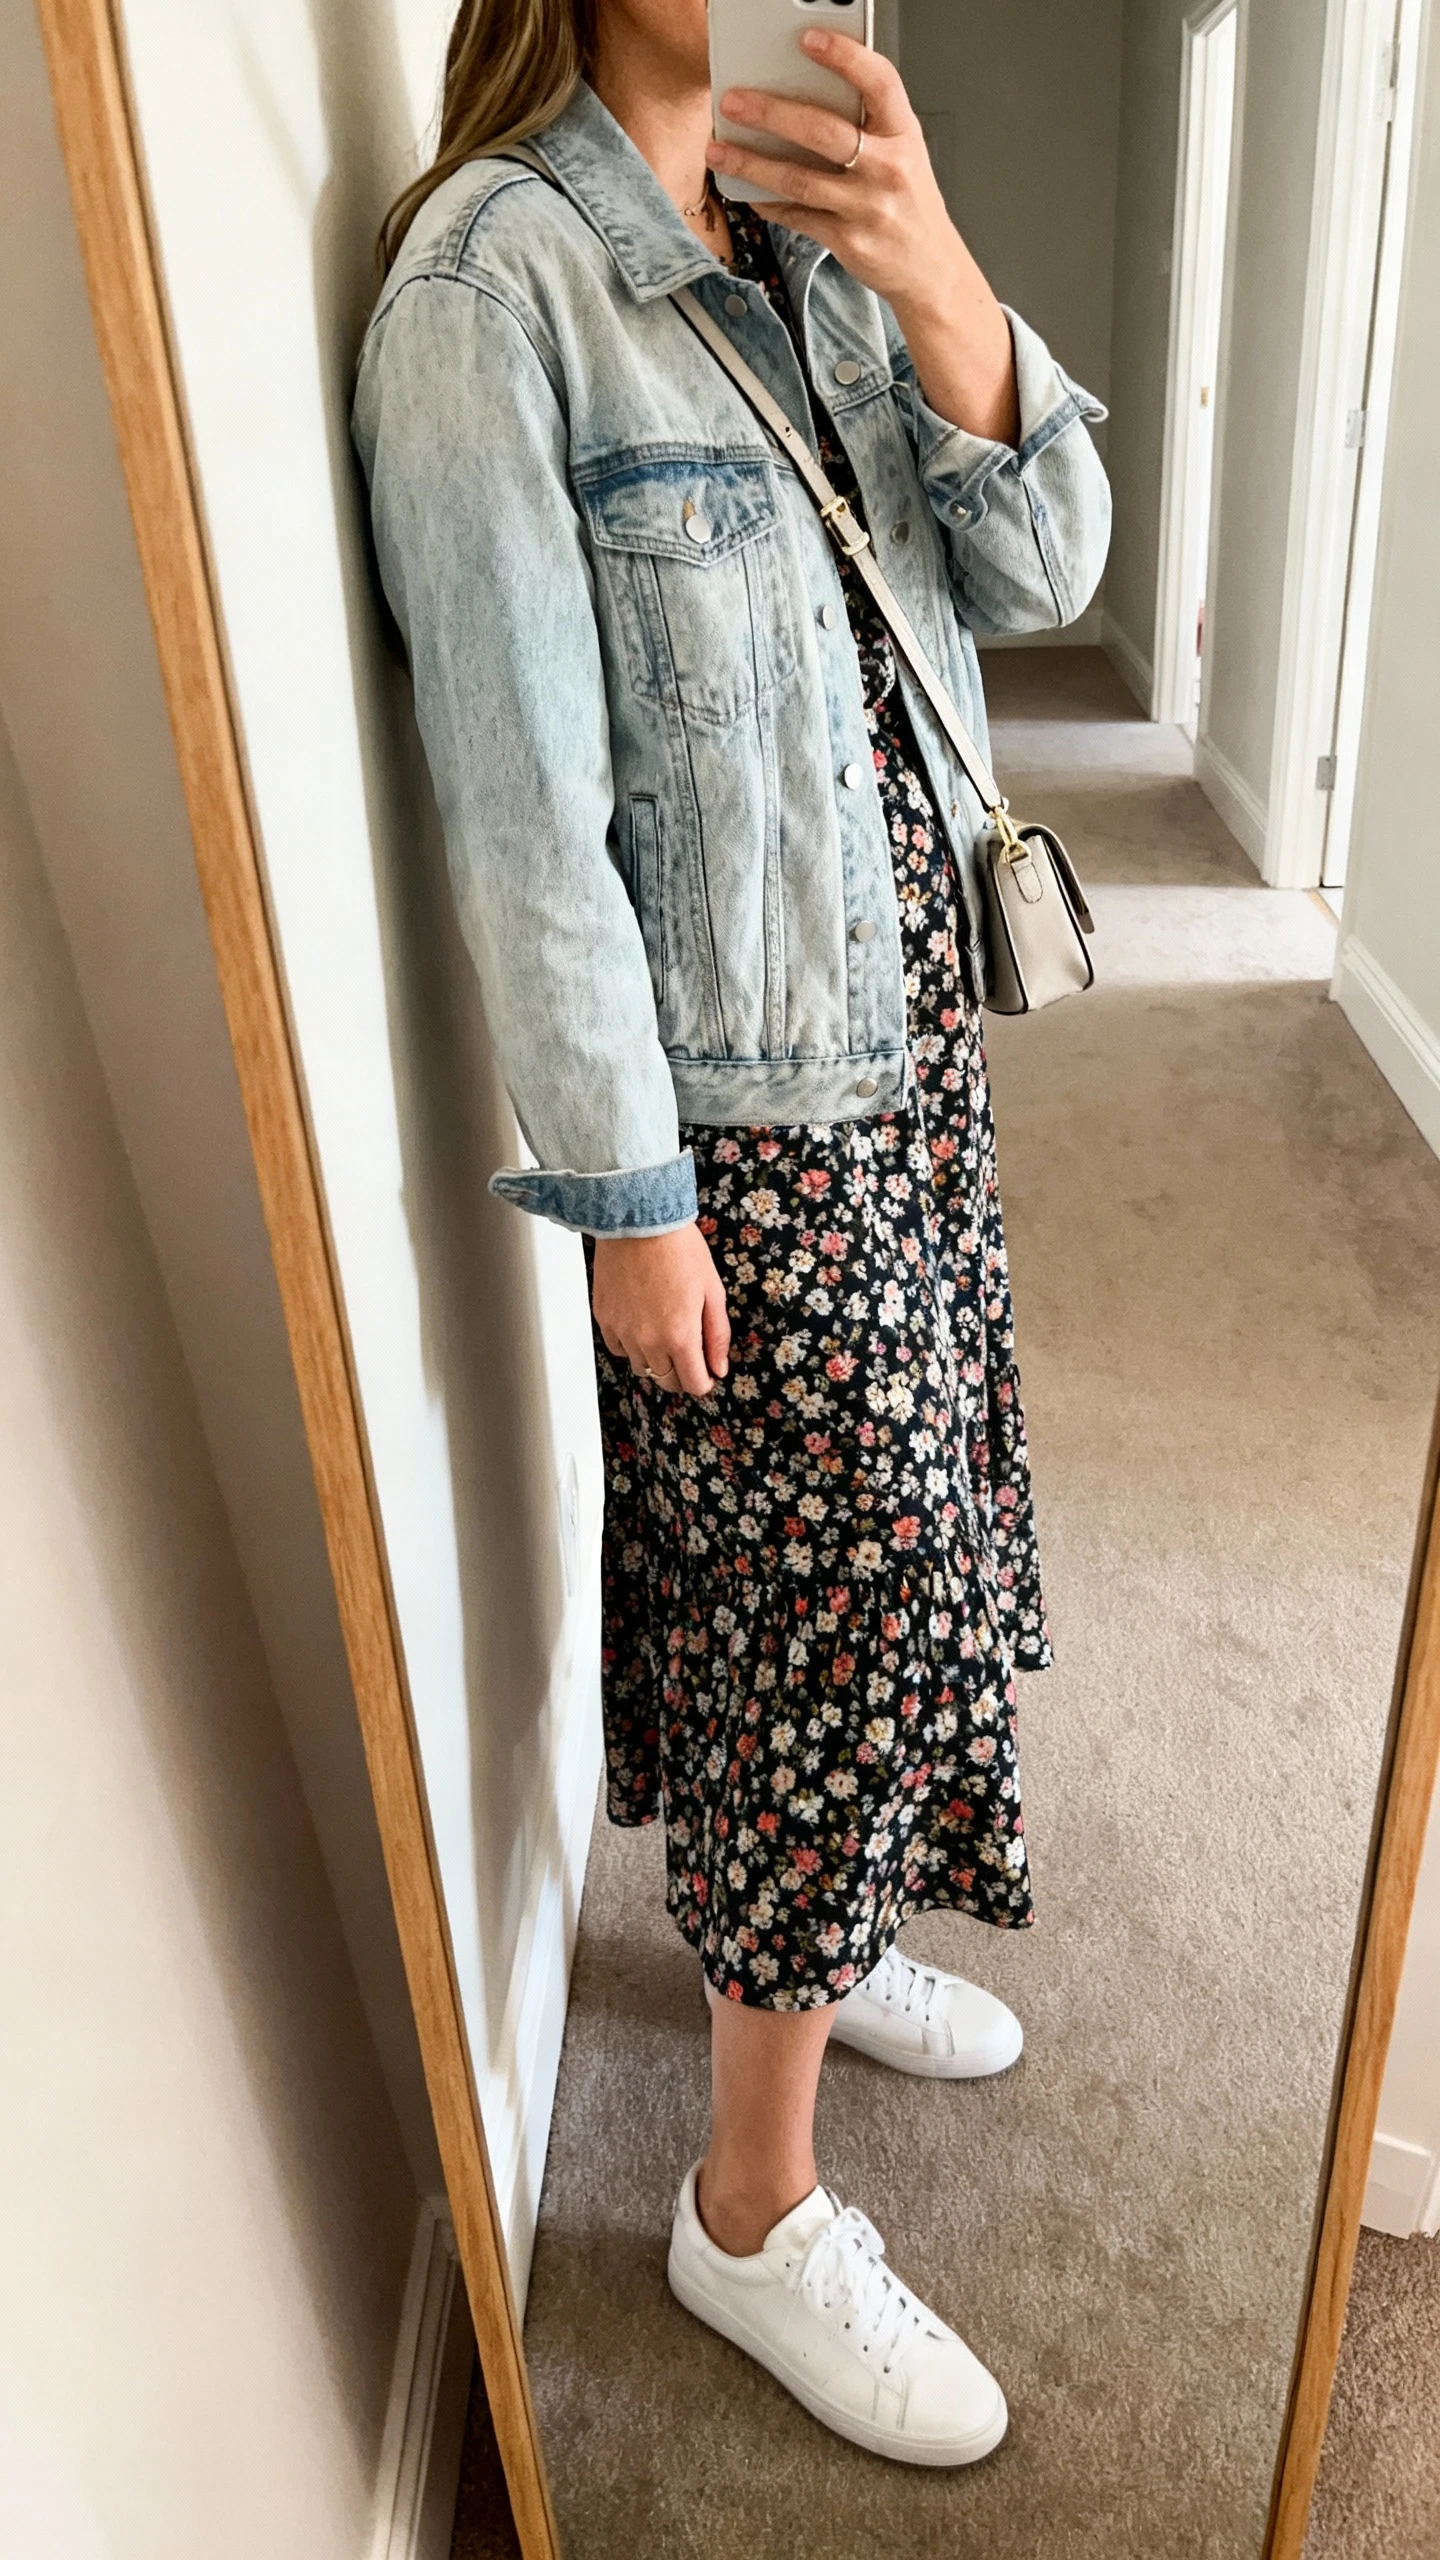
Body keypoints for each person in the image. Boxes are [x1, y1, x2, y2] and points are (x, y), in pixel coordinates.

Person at [355, 0, 1109, 2468]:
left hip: (911, 1051)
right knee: (839, 1604)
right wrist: (631, 1195)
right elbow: (520, 814)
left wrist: (943, 276)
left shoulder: (807, 237)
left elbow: (1046, 562)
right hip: (743, 1126)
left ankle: (836, 1930)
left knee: (916, 1542)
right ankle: (749, 2207)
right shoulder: (493, 291)